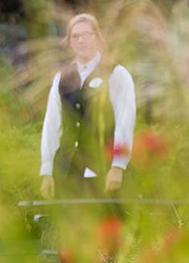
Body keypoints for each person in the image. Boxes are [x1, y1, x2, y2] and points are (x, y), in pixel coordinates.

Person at [40, 13, 136, 199]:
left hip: (105, 171)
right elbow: (51, 125)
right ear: (69, 42)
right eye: (75, 36)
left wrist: (118, 165)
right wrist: (47, 171)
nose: (80, 40)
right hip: (68, 172)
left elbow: (125, 121)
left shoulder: (117, 74)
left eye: (86, 34)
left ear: (97, 38)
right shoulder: (61, 78)